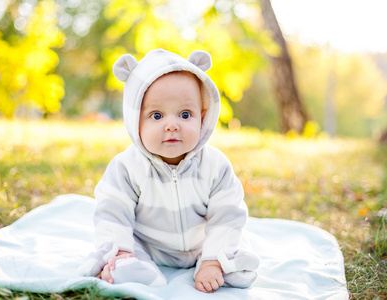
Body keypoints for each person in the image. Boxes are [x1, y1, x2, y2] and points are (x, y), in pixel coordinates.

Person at [78, 49, 259, 293]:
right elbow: (112, 212)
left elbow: (228, 214)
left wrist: (213, 259)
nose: (172, 125)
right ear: (136, 121)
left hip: (202, 243)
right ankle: (131, 266)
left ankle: (217, 263)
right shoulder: (127, 167)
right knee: (123, 249)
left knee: (235, 249)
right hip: (150, 245)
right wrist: (120, 249)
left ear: (202, 117)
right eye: (157, 115)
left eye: (185, 114)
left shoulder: (215, 166)